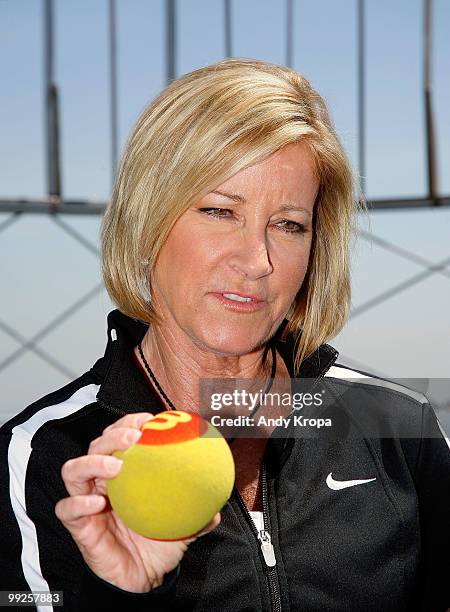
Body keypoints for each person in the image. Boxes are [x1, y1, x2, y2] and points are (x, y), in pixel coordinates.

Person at [1, 58, 449, 612]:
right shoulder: (41, 458)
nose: (257, 260)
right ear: (148, 221)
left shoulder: (400, 428)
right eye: (219, 211)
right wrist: (122, 593)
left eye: (289, 225)